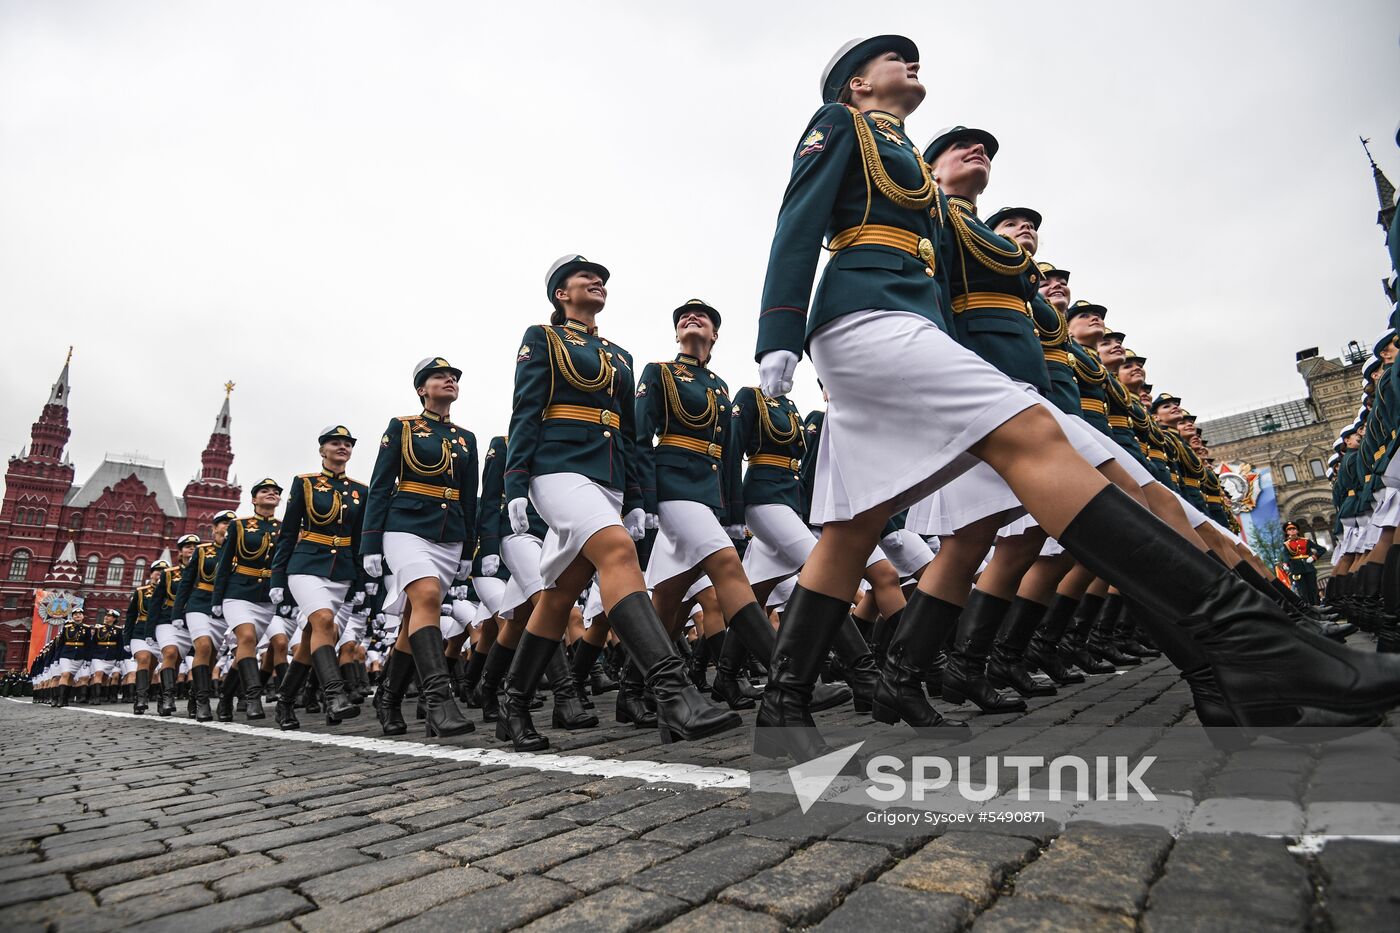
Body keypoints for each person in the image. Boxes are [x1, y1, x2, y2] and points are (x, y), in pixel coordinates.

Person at [753, 35, 1400, 762]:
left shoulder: (913, 171)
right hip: (863, 317)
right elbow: (799, 219)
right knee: (1037, 439)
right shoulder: (839, 126)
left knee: (854, 526)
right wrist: (778, 329)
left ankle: (784, 706)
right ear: (855, 86)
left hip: (905, 324)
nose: (910, 63)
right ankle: (1250, 642)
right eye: (890, 57)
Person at [495, 254, 740, 750]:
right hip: (557, 468)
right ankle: (672, 690)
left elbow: (629, 434)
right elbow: (526, 410)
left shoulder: (619, 355)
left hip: (604, 479)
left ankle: (512, 701)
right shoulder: (543, 338)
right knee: (617, 553)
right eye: (585, 277)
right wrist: (516, 482)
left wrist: (632, 496)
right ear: (561, 294)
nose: (597, 282)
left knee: (561, 593)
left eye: (602, 278)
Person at [637, 299, 806, 712]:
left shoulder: (719, 386)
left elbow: (728, 456)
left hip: (705, 494)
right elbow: (640, 438)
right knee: (728, 566)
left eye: (704, 318)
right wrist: (644, 499)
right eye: (683, 318)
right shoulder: (658, 372)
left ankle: (636, 688)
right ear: (677, 333)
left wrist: (730, 512)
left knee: (670, 597)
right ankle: (788, 682)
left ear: (714, 335)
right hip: (672, 485)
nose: (691, 319)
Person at [361, 357, 478, 738]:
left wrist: (467, 551)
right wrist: (370, 542)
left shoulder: (466, 438)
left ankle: (388, 698)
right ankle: (438, 701)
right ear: (421, 389)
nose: (449, 380)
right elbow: (380, 485)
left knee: (416, 615)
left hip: (449, 534)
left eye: (454, 377)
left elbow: (468, 498)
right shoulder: (402, 427)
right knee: (426, 595)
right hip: (405, 526)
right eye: (440, 376)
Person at [269, 425, 369, 730]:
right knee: (324, 620)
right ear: (322, 450)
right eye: (335, 443)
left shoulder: (359, 491)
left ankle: (285, 703)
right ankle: (334, 696)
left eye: (347, 444)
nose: (342, 447)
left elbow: (359, 540)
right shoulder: (305, 483)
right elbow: (287, 534)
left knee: (316, 638)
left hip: (341, 572)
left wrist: (362, 583)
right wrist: (277, 578)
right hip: (306, 565)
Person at [212, 478, 284, 721]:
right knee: (247, 637)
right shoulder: (239, 525)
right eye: (265, 491)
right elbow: (224, 564)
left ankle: (225, 697)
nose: (271, 494)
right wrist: (217, 598)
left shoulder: (284, 528)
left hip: (266, 597)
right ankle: (253, 697)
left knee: (246, 649)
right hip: (238, 592)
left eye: (275, 492)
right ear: (254, 499)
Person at [174, 510, 237, 720]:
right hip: (199, 603)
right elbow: (185, 583)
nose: (227, 526)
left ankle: (194, 694)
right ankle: (203, 701)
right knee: (203, 646)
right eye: (223, 523)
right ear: (214, 528)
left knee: (212, 657)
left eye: (231, 523)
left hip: (224, 608)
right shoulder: (202, 551)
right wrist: (177, 612)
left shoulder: (240, 551)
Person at [147, 534, 199, 716]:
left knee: (180, 661)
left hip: (192, 619)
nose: (191, 548)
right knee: (170, 653)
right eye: (187, 546)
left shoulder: (205, 571)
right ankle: (168, 697)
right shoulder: (169, 574)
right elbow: (155, 603)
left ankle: (191, 698)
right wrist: (149, 631)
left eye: (195, 545)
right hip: (167, 620)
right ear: (180, 551)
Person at [1284, 521, 1327, 607]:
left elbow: (1322, 549)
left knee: (1313, 589)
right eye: (1289, 530)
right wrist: (1286, 564)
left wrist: (1314, 557)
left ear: (1297, 530)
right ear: (1287, 532)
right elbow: (1286, 556)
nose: (1292, 531)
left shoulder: (1306, 541)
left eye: (1293, 529)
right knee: (1302, 591)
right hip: (1296, 569)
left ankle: (1318, 608)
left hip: (1308, 567)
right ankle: (1309, 609)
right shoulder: (1286, 544)